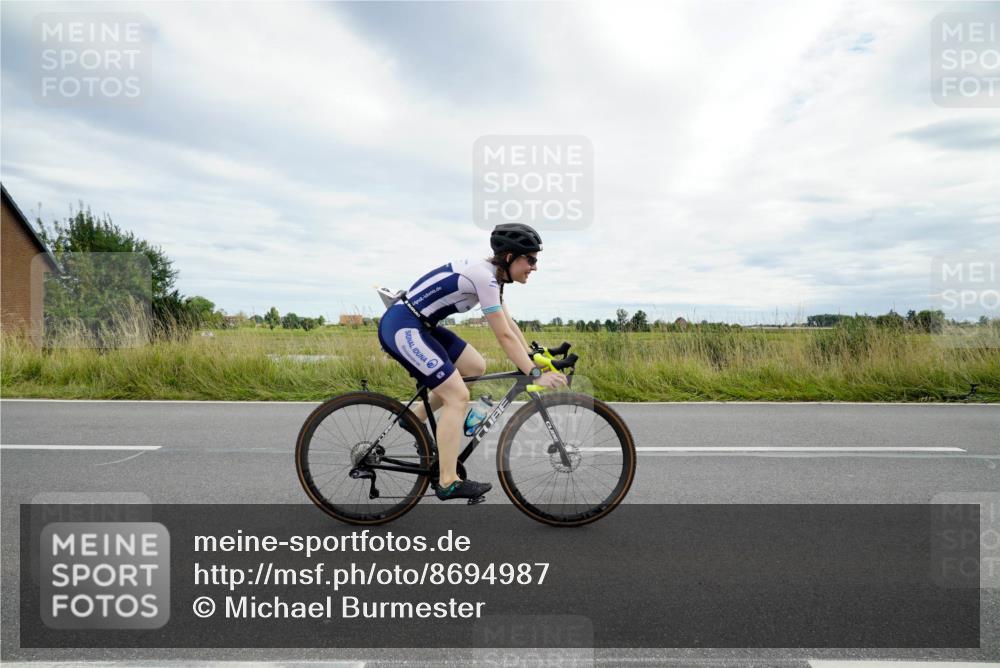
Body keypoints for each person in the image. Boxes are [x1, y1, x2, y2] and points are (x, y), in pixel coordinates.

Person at [377, 223, 567, 501]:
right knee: (457, 397)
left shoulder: (495, 278)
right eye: (531, 259)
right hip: (403, 327)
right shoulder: (485, 277)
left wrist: (530, 354)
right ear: (511, 257)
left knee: (475, 367)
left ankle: (413, 419)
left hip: (421, 325)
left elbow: (509, 324)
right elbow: (501, 335)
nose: (534, 267)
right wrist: (534, 374)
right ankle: (447, 481)